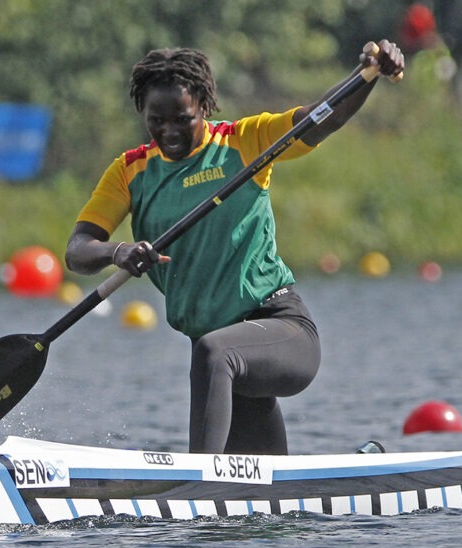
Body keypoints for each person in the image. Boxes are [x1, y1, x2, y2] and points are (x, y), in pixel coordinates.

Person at [65, 41, 403, 455]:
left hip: (280, 329)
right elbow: (79, 249)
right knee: (262, 498)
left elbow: (320, 119)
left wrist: (368, 74)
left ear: (204, 107)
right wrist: (117, 252)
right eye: (156, 121)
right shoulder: (130, 171)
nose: (168, 132)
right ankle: (353, 468)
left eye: (181, 119)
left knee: (214, 352)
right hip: (224, 362)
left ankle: (196, 486)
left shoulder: (244, 142)